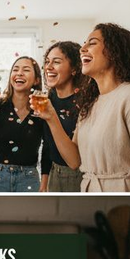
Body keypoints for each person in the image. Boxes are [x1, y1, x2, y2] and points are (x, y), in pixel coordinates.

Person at [71, 23, 130, 192]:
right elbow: (74, 160)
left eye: (92, 43)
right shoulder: (90, 104)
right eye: (84, 43)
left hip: (122, 199)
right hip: (90, 194)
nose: (83, 48)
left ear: (114, 51)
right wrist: (50, 116)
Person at [0, 56, 49, 193]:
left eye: (26, 70)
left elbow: (47, 149)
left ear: (36, 80)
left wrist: (44, 183)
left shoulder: (41, 110)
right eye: (15, 69)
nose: (19, 73)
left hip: (29, 178)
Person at [36, 41, 87, 192]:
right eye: (47, 62)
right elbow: (47, 143)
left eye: (56, 62)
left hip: (79, 175)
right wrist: (44, 180)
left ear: (74, 69)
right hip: (53, 173)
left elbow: (76, 160)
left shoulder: (84, 102)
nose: (49, 67)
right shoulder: (48, 99)